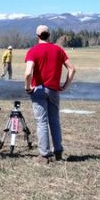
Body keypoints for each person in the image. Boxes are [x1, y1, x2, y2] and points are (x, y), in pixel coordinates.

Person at [24, 25, 76, 164]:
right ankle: (58, 151)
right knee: (54, 121)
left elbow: (28, 72)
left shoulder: (33, 51)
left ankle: (44, 155)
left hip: (39, 90)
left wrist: (27, 87)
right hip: (54, 90)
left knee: (42, 122)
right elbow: (72, 69)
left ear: (37, 36)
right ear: (49, 35)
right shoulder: (58, 50)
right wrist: (65, 85)